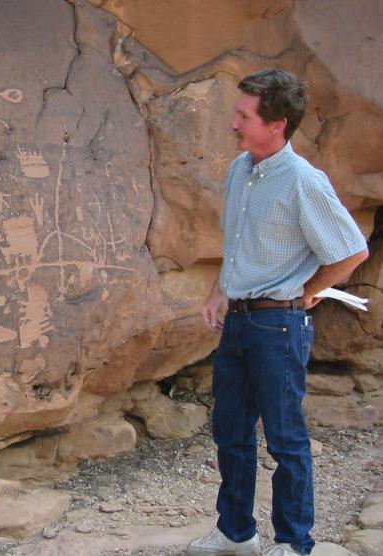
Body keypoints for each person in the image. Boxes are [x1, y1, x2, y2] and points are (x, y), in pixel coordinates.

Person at [187, 69, 369, 556]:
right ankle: (236, 534)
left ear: (277, 124)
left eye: (244, 116)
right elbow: (237, 243)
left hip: (279, 324)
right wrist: (216, 292)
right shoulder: (240, 170)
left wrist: (306, 292)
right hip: (239, 321)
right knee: (230, 432)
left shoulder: (304, 181)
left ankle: (293, 543)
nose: (234, 123)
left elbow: (351, 252)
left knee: (286, 439)